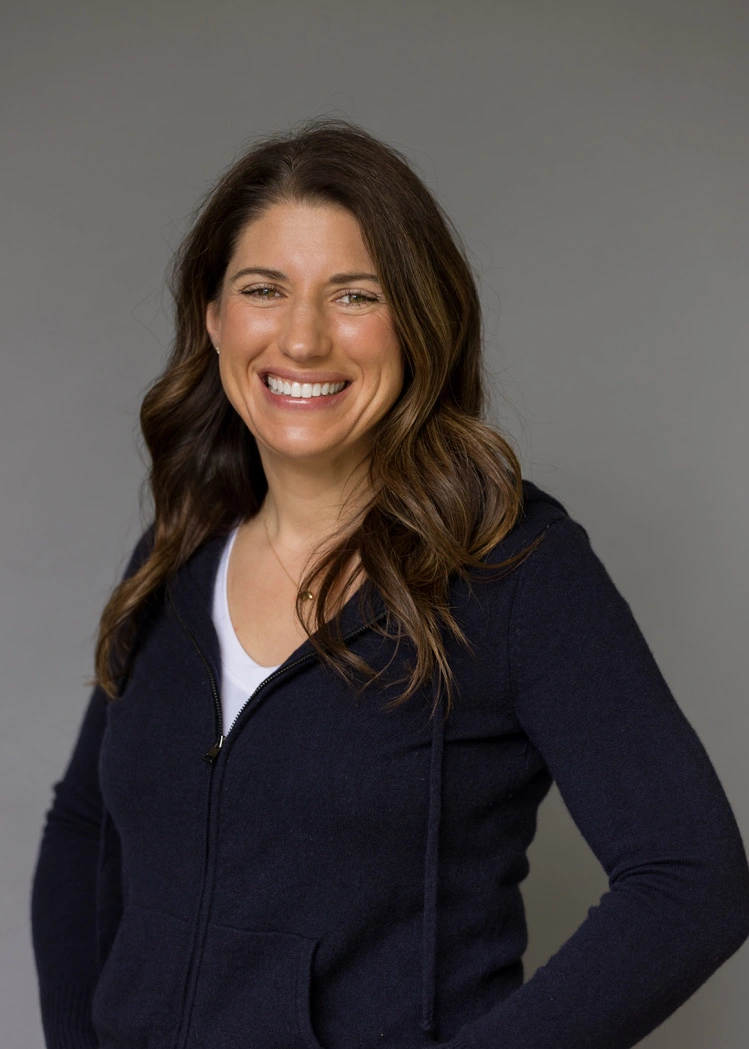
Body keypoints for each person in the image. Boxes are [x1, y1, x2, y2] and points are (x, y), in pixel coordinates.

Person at [31, 117, 749, 1049]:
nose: (301, 337)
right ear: (214, 318)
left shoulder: (512, 565)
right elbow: (85, 827)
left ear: (416, 320)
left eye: (353, 294)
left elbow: (691, 879)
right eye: (263, 290)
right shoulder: (176, 555)